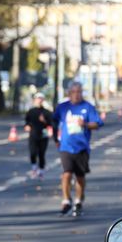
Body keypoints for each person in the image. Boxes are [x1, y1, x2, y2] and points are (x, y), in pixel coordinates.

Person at [52, 82, 103, 217]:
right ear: (69, 93)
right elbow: (53, 121)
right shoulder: (63, 107)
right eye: (74, 92)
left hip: (82, 147)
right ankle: (66, 201)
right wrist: (55, 139)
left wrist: (85, 124)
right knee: (66, 173)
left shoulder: (88, 107)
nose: (76, 94)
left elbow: (97, 124)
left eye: (79, 92)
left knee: (80, 176)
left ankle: (79, 200)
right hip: (66, 146)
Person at [24, 92, 54, 179]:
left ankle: (41, 171)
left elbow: (51, 123)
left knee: (41, 153)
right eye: (38, 98)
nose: (39, 100)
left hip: (43, 135)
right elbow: (27, 121)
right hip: (33, 134)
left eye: (41, 98)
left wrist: (44, 121)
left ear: (43, 100)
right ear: (35, 100)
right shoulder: (31, 111)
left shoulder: (47, 112)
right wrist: (27, 126)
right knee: (33, 152)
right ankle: (34, 168)